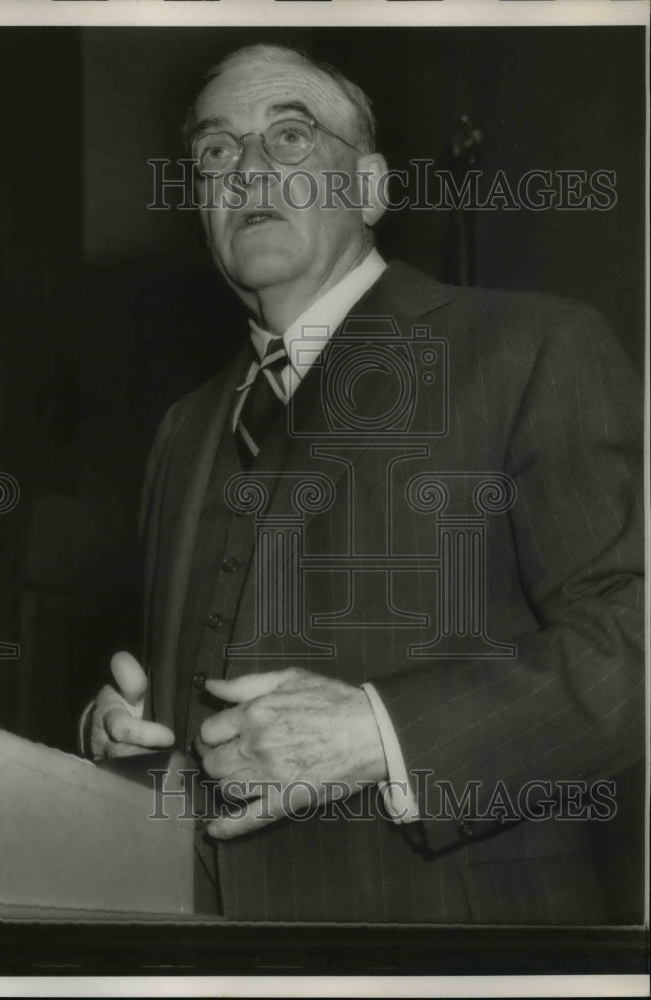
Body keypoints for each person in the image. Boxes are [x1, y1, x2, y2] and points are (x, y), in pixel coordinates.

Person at [81, 44, 644, 922]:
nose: (247, 169)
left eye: (289, 136)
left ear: (372, 188)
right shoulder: (182, 427)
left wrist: (381, 734)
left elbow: (632, 641)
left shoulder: (533, 349)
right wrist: (126, 743)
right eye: (216, 150)